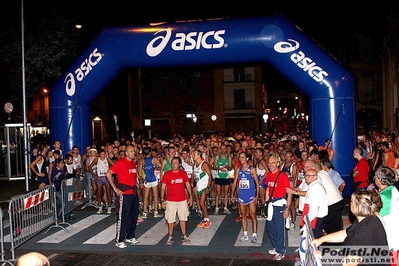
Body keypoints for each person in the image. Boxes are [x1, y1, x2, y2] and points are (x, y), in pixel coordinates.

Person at [311, 190, 389, 265]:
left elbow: (350, 263)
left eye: (352, 202)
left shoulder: (366, 231)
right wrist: (320, 240)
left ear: (359, 206)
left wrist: (323, 257)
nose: (349, 203)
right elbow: (344, 234)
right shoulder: (365, 218)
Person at [106, 144, 140, 249]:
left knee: (134, 216)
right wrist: (115, 188)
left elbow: (134, 176)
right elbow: (108, 174)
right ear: (126, 153)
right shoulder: (120, 162)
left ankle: (130, 236)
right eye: (131, 151)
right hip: (125, 194)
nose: (133, 153)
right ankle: (119, 240)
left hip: (133, 193)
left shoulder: (133, 163)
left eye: (133, 151)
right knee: (123, 217)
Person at [264, 155, 293, 260]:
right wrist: (266, 203)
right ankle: (276, 246)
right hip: (271, 203)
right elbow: (268, 188)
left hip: (280, 204)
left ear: (278, 163)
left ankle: (281, 251)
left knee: (279, 228)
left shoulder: (283, 176)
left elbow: (289, 193)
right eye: (269, 163)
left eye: (273, 162)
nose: (270, 165)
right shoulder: (268, 175)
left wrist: (287, 208)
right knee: (270, 227)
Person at [160, 156, 193, 245]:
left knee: (183, 218)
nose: (173, 165)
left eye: (175, 163)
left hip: (182, 200)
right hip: (170, 201)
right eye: (172, 163)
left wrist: (190, 197)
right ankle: (170, 237)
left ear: (179, 164)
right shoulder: (167, 174)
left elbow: (188, 185)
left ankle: (184, 235)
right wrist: (162, 200)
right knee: (170, 220)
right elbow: (163, 188)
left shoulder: (183, 173)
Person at [231, 151, 259, 243]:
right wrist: (232, 194)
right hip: (242, 195)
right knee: (243, 215)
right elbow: (235, 182)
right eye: (240, 157)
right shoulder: (238, 170)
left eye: (243, 157)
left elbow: (257, 183)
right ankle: (245, 234)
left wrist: (257, 195)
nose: (241, 159)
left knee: (252, 215)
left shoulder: (252, 169)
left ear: (247, 158)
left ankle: (254, 235)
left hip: (251, 195)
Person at [373, 166, 399, 264]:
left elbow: (375, 216)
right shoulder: (393, 189)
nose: (374, 178)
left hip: (389, 237)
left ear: (379, 180)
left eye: (375, 176)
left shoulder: (384, 196)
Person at [298, 168, 328, 238]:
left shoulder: (315, 188)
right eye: (306, 175)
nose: (307, 177)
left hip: (315, 217)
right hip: (316, 216)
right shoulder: (314, 186)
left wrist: (307, 221)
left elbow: (314, 207)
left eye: (310, 175)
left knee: (314, 237)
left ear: (316, 177)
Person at [137, 146, 163, 218]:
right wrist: (156, 167)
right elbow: (162, 166)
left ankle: (145, 212)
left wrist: (142, 181)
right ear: (150, 152)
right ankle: (156, 212)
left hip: (146, 180)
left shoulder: (141, 161)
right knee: (155, 196)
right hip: (154, 179)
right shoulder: (154, 159)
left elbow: (138, 173)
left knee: (145, 197)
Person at [89, 148, 114, 214]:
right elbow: (90, 167)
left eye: (104, 154)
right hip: (99, 178)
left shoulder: (107, 159)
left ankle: (109, 206)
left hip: (106, 178)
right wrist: (94, 175)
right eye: (101, 154)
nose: (103, 155)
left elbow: (113, 165)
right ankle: (100, 207)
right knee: (99, 193)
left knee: (108, 192)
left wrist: (108, 158)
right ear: (99, 154)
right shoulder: (96, 160)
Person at [192, 149, 212, 229]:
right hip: (199, 186)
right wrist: (191, 182)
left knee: (201, 203)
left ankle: (207, 220)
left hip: (204, 186)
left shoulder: (204, 164)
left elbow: (210, 176)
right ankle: (205, 219)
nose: (193, 156)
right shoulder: (195, 163)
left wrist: (208, 187)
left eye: (194, 154)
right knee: (201, 203)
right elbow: (194, 173)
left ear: (199, 155)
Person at [211, 144, 232, 215]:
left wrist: (227, 167)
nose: (223, 150)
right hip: (219, 176)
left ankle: (225, 207)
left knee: (226, 193)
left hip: (226, 176)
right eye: (222, 148)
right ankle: (216, 208)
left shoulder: (229, 157)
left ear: (226, 149)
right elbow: (213, 167)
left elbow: (231, 168)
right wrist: (219, 168)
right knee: (218, 193)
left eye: (224, 149)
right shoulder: (217, 157)